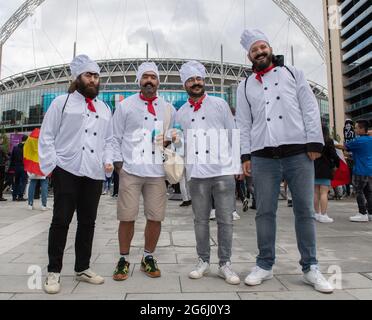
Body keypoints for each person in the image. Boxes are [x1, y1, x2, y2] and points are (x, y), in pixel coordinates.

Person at [236, 29, 333, 293]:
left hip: (298, 153)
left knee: (304, 210)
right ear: (249, 56)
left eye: (262, 47)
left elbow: (310, 107)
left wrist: (315, 143)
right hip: (263, 155)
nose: (260, 52)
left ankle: (310, 267)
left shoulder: (293, 73)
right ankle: (264, 264)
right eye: (254, 50)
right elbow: (243, 124)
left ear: (269, 48)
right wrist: (245, 155)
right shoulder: (244, 85)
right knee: (265, 211)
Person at [39, 54, 114, 294]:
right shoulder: (61, 102)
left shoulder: (104, 108)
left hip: (93, 172)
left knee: (88, 222)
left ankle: (82, 267)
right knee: (60, 221)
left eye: (95, 76)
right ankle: (54, 271)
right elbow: (47, 135)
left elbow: (109, 140)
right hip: (67, 169)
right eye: (88, 75)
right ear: (78, 78)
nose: (93, 80)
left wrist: (108, 161)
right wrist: (52, 167)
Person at [176, 60, 241, 285]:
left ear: (203, 81)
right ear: (185, 84)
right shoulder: (181, 112)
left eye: (199, 79)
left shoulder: (220, 104)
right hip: (196, 173)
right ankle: (202, 260)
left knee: (225, 220)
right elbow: (179, 146)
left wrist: (237, 166)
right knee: (200, 220)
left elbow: (233, 134)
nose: (196, 83)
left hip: (222, 170)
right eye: (191, 80)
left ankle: (225, 264)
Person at [112, 62, 176, 281]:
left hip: (157, 171)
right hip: (130, 169)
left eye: (153, 77)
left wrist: (170, 141)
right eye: (146, 77)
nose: (150, 81)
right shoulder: (126, 105)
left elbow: (176, 135)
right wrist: (119, 166)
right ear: (139, 81)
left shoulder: (167, 108)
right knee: (127, 216)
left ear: (158, 81)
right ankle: (123, 259)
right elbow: (115, 136)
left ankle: (148, 257)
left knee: (156, 217)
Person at [346, 120, 372, 223]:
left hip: (360, 170)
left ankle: (362, 213)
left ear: (362, 129)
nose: (355, 130)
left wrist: (331, 144)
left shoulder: (358, 141)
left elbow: (345, 146)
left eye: (356, 128)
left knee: (358, 191)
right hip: (370, 170)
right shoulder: (370, 139)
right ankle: (370, 213)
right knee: (369, 193)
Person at [314, 126, 339, 223]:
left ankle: (316, 214)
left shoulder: (314, 141)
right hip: (325, 169)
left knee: (315, 193)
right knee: (324, 193)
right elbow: (334, 155)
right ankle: (324, 215)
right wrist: (336, 165)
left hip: (314, 168)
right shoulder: (329, 141)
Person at [23, 128, 50, 211]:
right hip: (42, 164)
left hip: (33, 164)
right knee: (44, 184)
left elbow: (26, 150)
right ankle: (43, 205)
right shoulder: (43, 140)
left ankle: (30, 204)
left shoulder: (30, 140)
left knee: (32, 184)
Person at [10, 135, 28, 201]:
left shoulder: (15, 147)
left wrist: (11, 168)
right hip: (24, 167)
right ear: (27, 140)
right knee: (23, 181)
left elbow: (12, 159)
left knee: (16, 182)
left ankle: (14, 196)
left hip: (16, 167)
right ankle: (20, 196)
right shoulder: (27, 147)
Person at [0, 137, 8, 201]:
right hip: (1, 166)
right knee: (1, 181)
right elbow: (6, 157)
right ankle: (0, 196)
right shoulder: (1, 147)